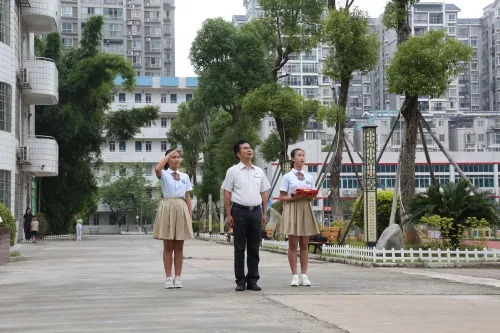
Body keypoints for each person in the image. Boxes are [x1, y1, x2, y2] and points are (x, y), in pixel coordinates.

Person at [222, 140, 271, 291]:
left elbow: (264, 193)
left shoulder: (259, 171)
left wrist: (264, 212)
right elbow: (227, 193)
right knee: (239, 247)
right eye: (245, 148)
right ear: (238, 153)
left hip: (256, 211)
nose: (249, 150)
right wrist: (228, 214)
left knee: (254, 247)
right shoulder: (233, 171)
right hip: (239, 211)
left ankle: (253, 279)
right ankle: (240, 281)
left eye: (250, 148)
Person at [153, 148, 193, 289]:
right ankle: (168, 277)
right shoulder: (163, 174)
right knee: (168, 246)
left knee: (179, 247)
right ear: (168, 159)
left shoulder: (185, 176)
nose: (176, 159)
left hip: (181, 207)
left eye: (178, 157)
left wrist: (189, 214)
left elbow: (188, 197)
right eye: (173, 157)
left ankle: (178, 277)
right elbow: (157, 168)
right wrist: (168, 154)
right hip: (167, 207)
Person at [279, 148, 319, 287]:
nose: (302, 158)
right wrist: (293, 197)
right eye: (299, 155)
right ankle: (294, 275)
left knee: (304, 245)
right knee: (293, 244)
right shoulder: (287, 177)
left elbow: (313, 196)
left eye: (303, 155)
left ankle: (304, 275)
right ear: (293, 158)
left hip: (306, 208)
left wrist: (310, 195)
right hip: (292, 208)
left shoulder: (309, 177)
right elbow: (282, 197)